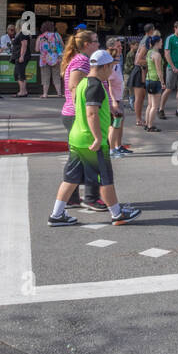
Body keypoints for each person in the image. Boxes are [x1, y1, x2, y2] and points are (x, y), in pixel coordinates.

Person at [47, 49, 141, 228]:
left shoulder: (83, 83)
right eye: (111, 68)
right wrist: (98, 138)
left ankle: (57, 214)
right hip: (91, 140)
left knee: (71, 178)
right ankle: (117, 214)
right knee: (105, 179)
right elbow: (91, 113)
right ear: (104, 66)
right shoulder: (96, 86)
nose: (111, 71)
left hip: (77, 137)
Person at [60, 29, 101, 208]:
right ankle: (91, 198)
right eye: (96, 41)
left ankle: (73, 197)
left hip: (74, 114)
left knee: (78, 157)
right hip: (77, 115)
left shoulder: (83, 60)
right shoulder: (82, 61)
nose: (98, 44)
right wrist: (86, 111)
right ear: (87, 44)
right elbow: (74, 86)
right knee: (90, 155)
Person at [104, 36, 130, 156]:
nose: (121, 48)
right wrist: (113, 101)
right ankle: (112, 148)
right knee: (114, 125)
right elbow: (108, 83)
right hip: (114, 99)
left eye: (121, 46)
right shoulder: (109, 63)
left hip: (119, 97)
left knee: (120, 123)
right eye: (118, 46)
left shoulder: (117, 61)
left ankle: (118, 146)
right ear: (111, 48)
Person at [129, 23, 153, 127]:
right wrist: (152, 62)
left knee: (142, 97)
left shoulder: (145, 39)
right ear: (151, 30)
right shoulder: (147, 41)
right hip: (139, 71)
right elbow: (138, 60)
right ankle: (138, 119)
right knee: (139, 98)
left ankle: (139, 118)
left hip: (142, 71)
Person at [142, 34, 164, 131]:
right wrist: (162, 82)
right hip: (155, 80)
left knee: (150, 105)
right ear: (157, 43)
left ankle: (147, 124)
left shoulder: (149, 52)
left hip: (149, 79)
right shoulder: (157, 55)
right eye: (161, 42)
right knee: (155, 106)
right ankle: (150, 126)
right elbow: (159, 70)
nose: (162, 44)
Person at [36, 21, 64, 98]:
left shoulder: (40, 37)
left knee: (45, 77)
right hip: (56, 59)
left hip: (44, 59)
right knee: (56, 76)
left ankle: (45, 94)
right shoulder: (57, 35)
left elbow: (37, 49)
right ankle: (59, 93)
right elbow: (62, 45)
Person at [12, 25, 33, 97]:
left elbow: (24, 45)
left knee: (19, 74)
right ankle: (24, 91)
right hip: (20, 56)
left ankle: (22, 92)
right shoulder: (23, 34)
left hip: (21, 56)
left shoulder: (23, 33)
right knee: (20, 73)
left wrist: (22, 56)